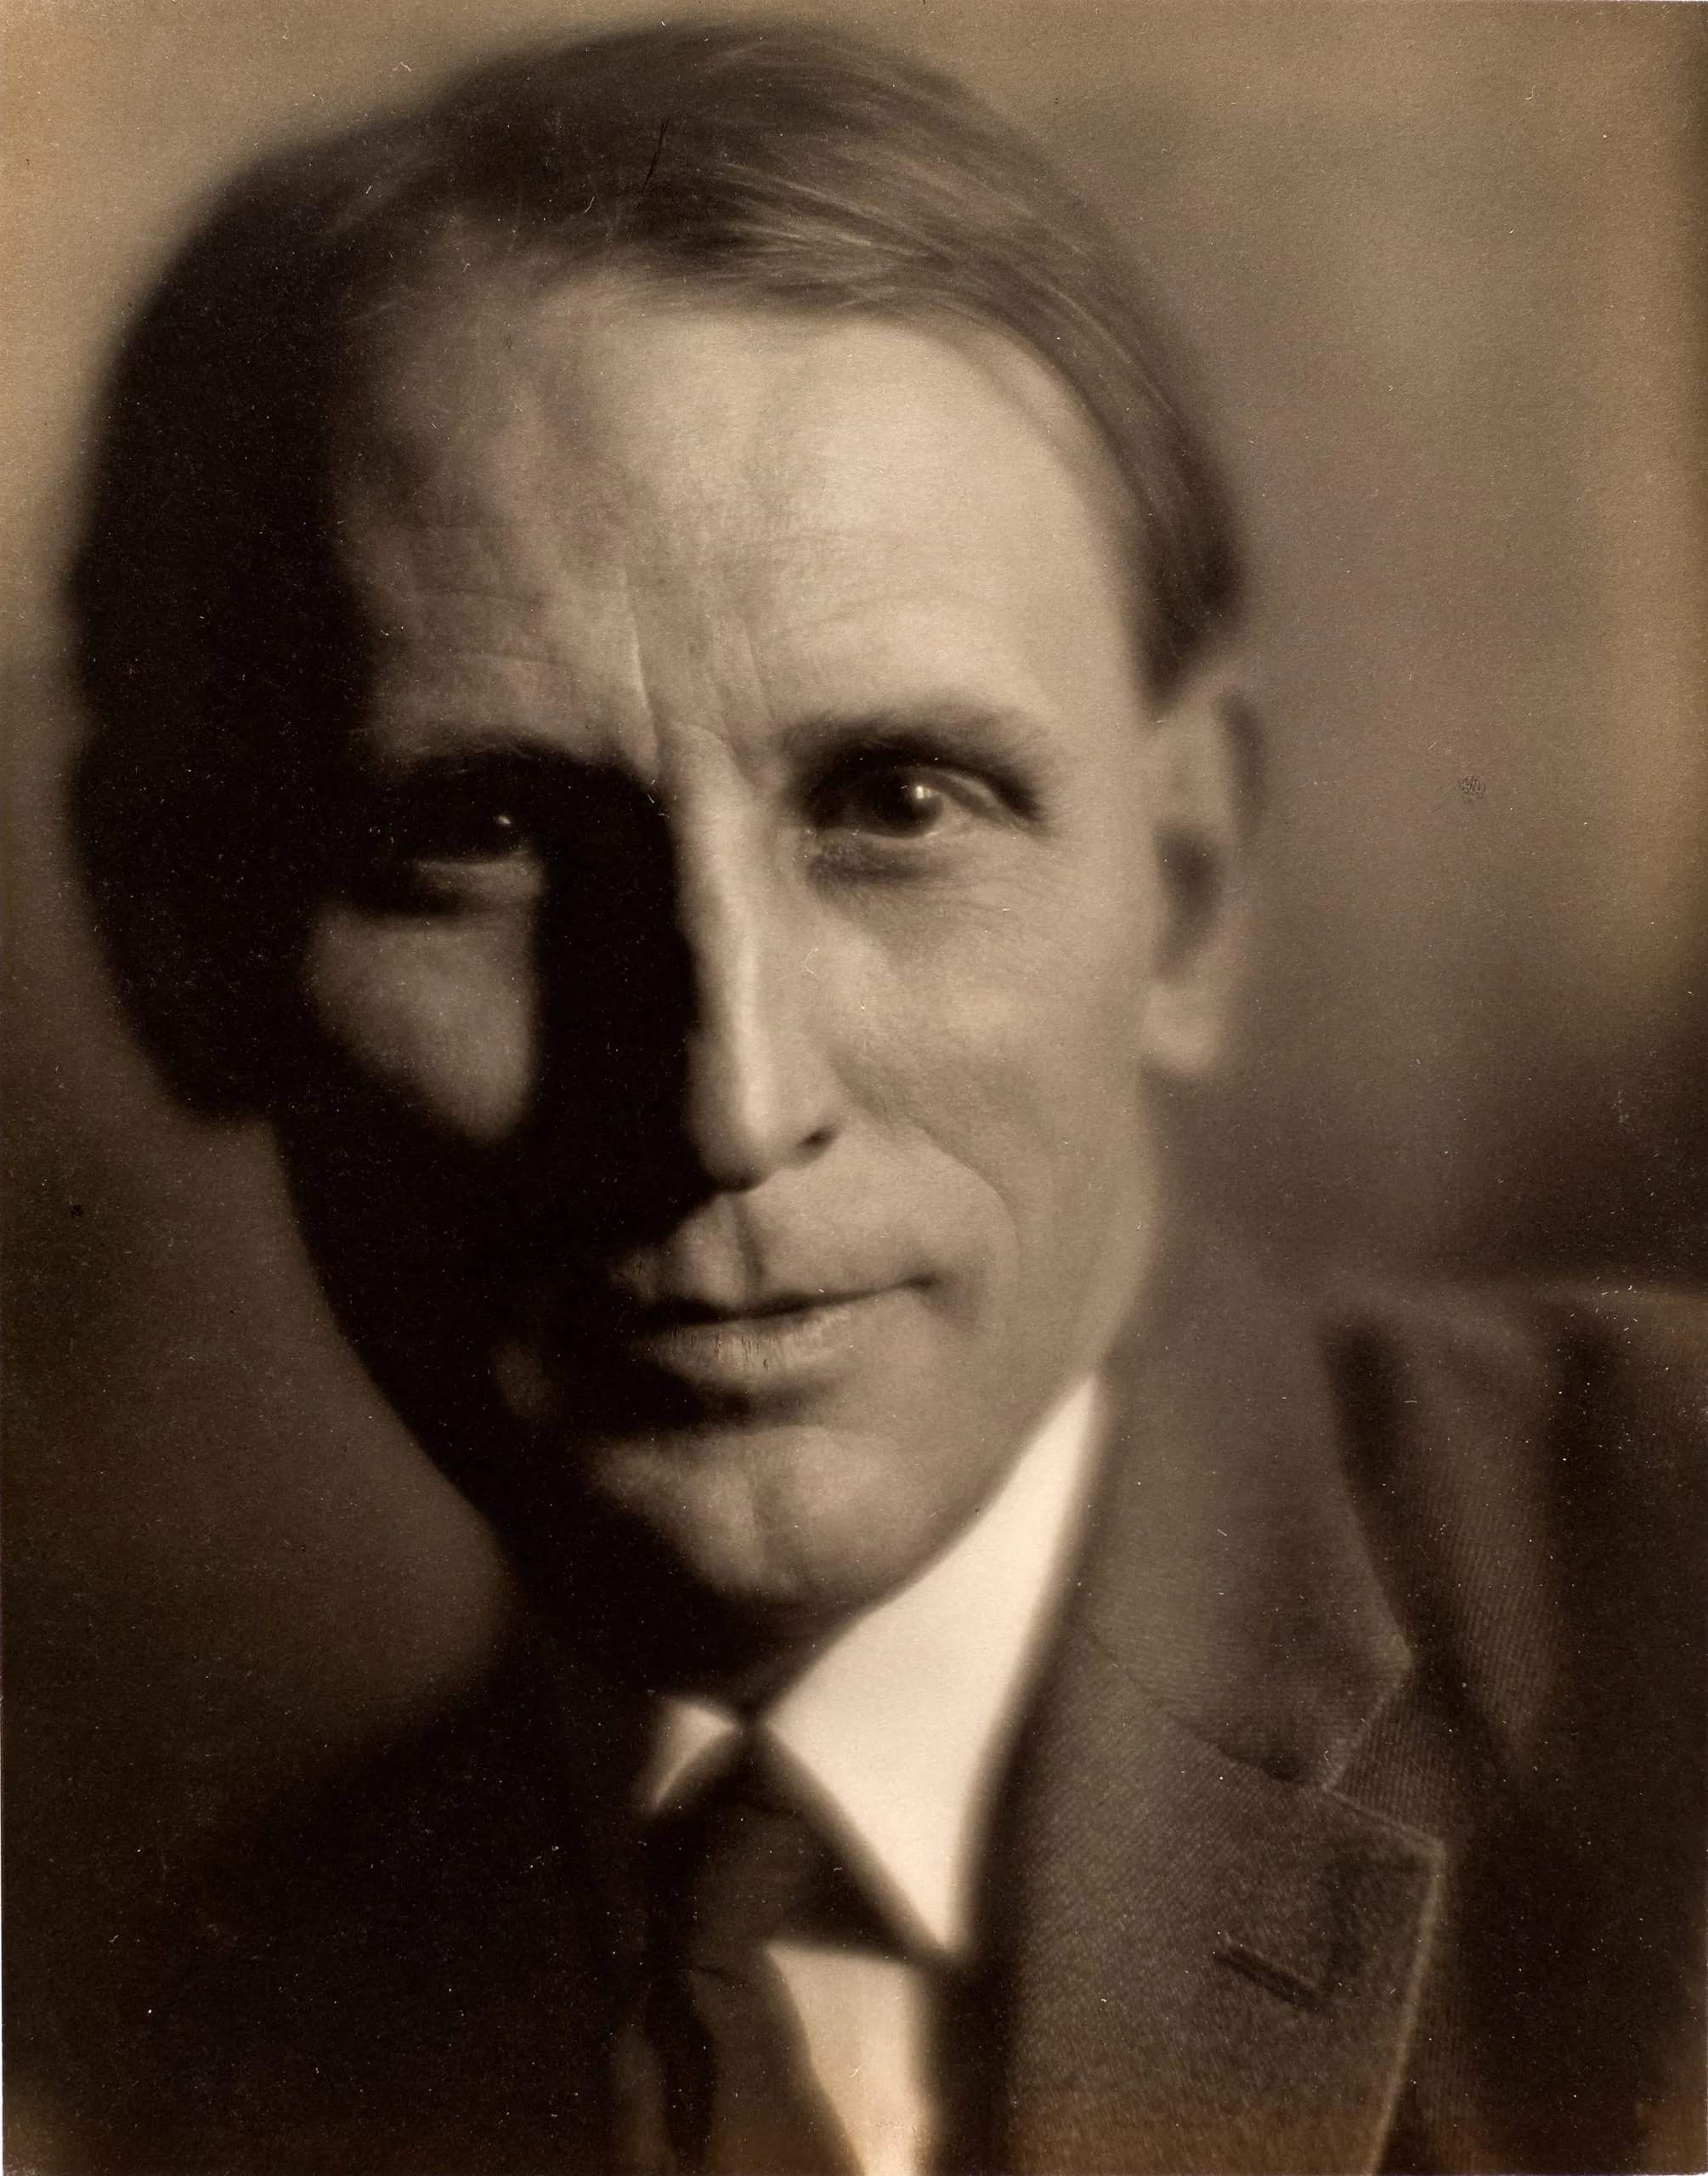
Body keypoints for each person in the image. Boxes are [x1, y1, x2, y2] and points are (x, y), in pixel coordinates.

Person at [65, 22, 1703, 2175]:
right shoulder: (237, 2033)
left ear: (1189, 890)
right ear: (183, 948)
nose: (728, 1103)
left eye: (898, 802)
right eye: (482, 830)